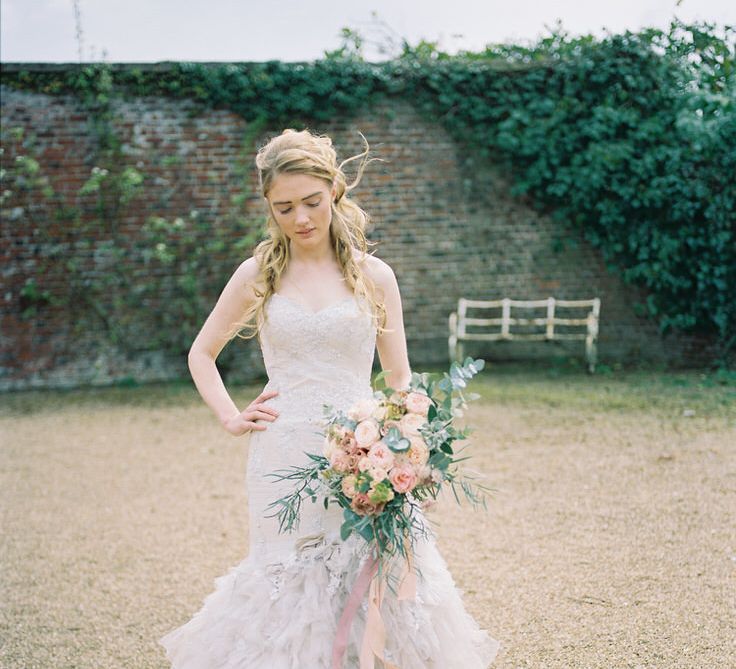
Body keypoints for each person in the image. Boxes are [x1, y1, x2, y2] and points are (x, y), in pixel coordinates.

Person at [158, 128, 500, 668]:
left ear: (335, 192)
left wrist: (411, 451)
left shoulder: (374, 277)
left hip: (366, 452)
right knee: (289, 578)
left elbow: (400, 377)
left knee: (372, 571)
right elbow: (202, 352)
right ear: (270, 209)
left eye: (311, 202)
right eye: (284, 207)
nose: (300, 219)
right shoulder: (258, 276)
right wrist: (230, 416)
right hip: (283, 452)